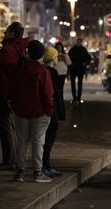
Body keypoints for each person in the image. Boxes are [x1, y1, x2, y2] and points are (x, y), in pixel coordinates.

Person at [9, 40, 54, 182]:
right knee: (38, 141)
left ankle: (20, 172)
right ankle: (37, 172)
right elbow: (47, 95)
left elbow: (13, 91)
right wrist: (49, 111)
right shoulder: (43, 72)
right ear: (41, 54)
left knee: (21, 141)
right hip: (39, 112)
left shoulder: (20, 70)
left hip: (21, 111)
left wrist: (15, 107)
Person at [0, 22, 30, 170]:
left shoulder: (10, 50)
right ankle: (12, 159)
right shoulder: (17, 48)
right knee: (9, 126)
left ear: (13, 34)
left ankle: (9, 161)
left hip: (4, 93)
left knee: (5, 127)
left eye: (6, 31)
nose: (4, 34)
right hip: (9, 93)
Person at [42, 46, 65, 177]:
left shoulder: (44, 70)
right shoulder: (52, 72)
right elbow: (55, 94)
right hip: (51, 110)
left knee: (44, 140)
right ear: (52, 57)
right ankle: (45, 166)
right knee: (48, 139)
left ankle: (46, 165)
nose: (57, 58)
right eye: (56, 56)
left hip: (47, 110)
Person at [68, 38, 92, 104]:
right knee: (72, 84)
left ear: (81, 43)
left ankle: (78, 98)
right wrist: (70, 64)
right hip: (73, 69)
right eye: (77, 42)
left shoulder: (83, 49)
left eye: (79, 42)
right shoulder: (72, 49)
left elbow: (89, 58)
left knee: (80, 84)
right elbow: (68, 58)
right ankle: (74, 98)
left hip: (80, 69)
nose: (78, 43)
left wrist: (85, 63)